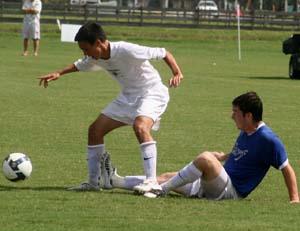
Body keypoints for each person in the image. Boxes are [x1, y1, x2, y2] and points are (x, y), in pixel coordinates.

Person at [38, 22, 183, 192]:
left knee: (140, 126)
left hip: (152, 92)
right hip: (128, 97)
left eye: (86, 49)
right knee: (94, 131)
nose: (85, 54)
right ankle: (93, 183)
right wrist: (59, 73)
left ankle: (151, 182)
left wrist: (177, 72)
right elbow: (80, 64)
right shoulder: (95, 57)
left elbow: (163, 52)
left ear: (98, 43)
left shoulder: (126, 49)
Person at [111, 92, 299, 203]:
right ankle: (115, 181)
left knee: (205, 158)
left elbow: (286, 168)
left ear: (248, 116)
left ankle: (162, 190)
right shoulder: (247, 131)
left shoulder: (268, 139)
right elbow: (244, 154)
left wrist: (295, 199)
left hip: (231, 192)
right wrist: (223, 157)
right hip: (216, 183)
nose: (231, 116)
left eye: (235, 112)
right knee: (166, 176)